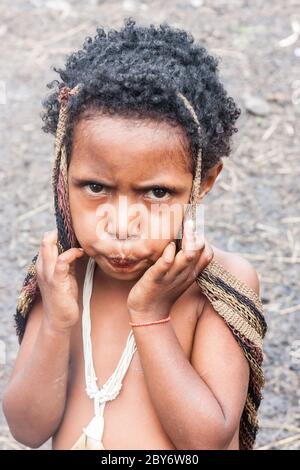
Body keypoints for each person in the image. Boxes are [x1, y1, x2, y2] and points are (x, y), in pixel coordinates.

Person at [3, 18, 267, 450]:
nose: (123, 223)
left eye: (157, 192)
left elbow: (207, 441)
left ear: (203, 182)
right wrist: (57, 321)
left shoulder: (220, 286)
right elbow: (27, 430)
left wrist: (150, 315)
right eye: (96, 187)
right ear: (62, 173)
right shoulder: (61, 276)